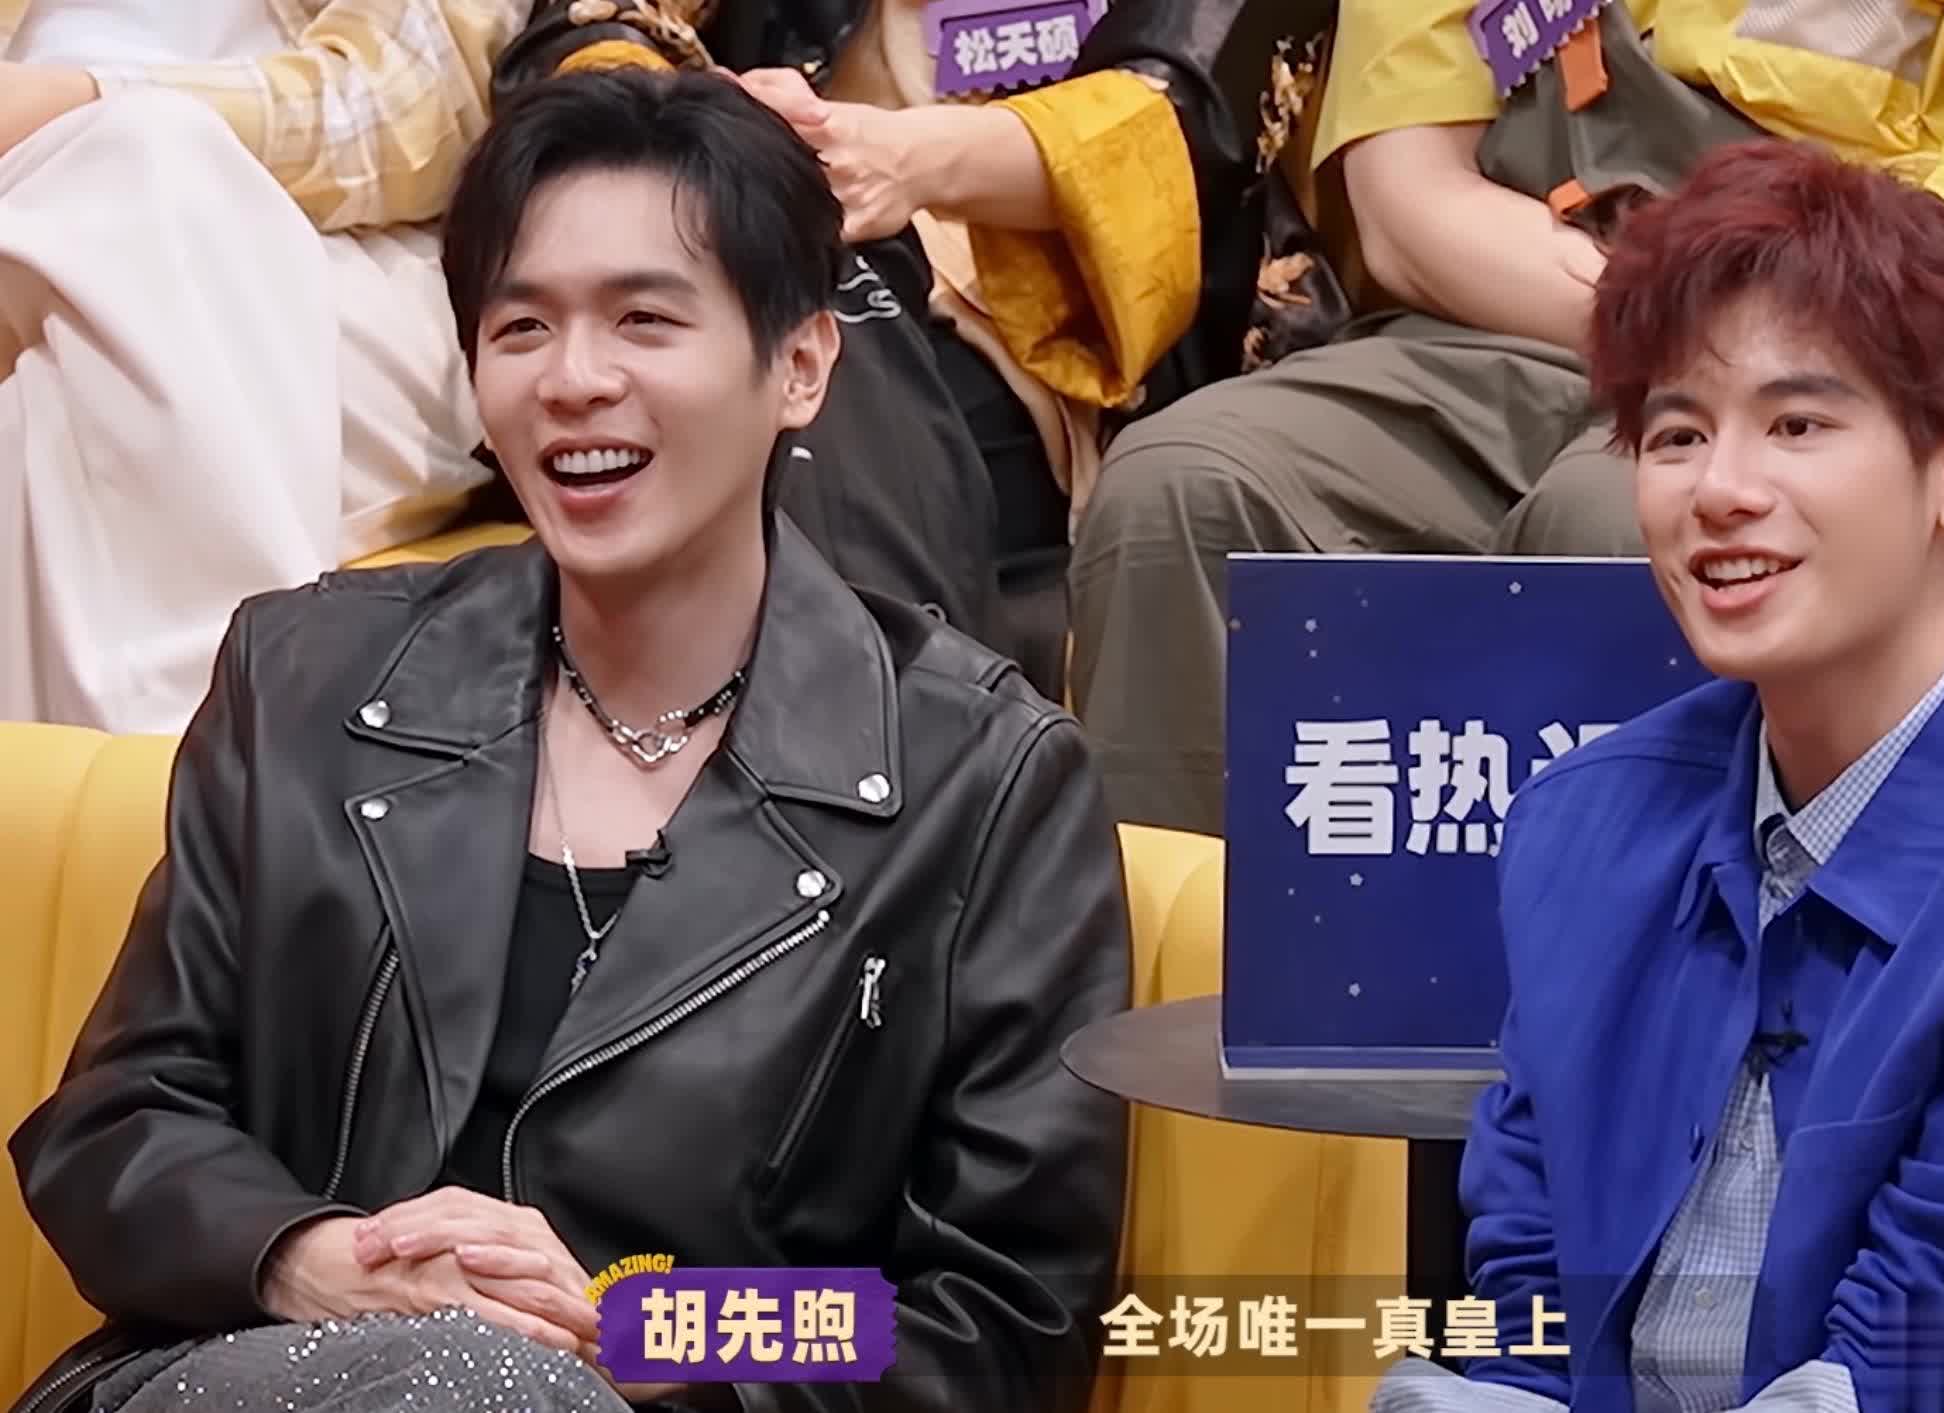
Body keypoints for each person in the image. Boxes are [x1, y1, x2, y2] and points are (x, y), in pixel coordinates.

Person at [9, 70, 1129, 1413]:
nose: (574, 381)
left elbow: (997, 1324)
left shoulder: (987, 784)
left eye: (645, 320)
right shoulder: (306, 675)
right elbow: (112, 1123)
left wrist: (637, 1331)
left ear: (799, 366)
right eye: (521, 327)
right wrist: (322, 1261)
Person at [1371, 141, 1944, 1413]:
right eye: (1677, 434)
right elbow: (1528, 1300)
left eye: (1797, 424)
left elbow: (1940, 1368)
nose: (1721, 491)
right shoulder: (1583, 828)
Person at [1064, 0, 1944, 837]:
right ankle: (1180, 1101)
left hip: (1842, 341)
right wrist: (1665, 332)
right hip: (1522, 313)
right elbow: (1407, 207)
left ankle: (1648, 1090)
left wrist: (1728, 367)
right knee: (1190, 487)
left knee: (1630, 520)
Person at [0, 0, 1014, 735]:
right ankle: (194, 819)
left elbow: (403, 108)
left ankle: (195, 794)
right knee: (50, 399)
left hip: (314, 257)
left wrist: (72, 107)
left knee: (136, 189)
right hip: (69, 263)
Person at [492, 0, 1340, 695]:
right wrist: (682, 129)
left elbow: (1185, 111)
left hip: (1046, 304)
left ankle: (891, 793)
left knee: (799, 381)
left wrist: (903, 162)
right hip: (752, 220)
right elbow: (585, 26)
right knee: (757, 345)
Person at [0, 0, 519, 732]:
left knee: (141, 169)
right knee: (40, 410)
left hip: (341, 260)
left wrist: (78, 101)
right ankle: (236, 771)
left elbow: (406, 112)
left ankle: (209, 752)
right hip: (45, 231)